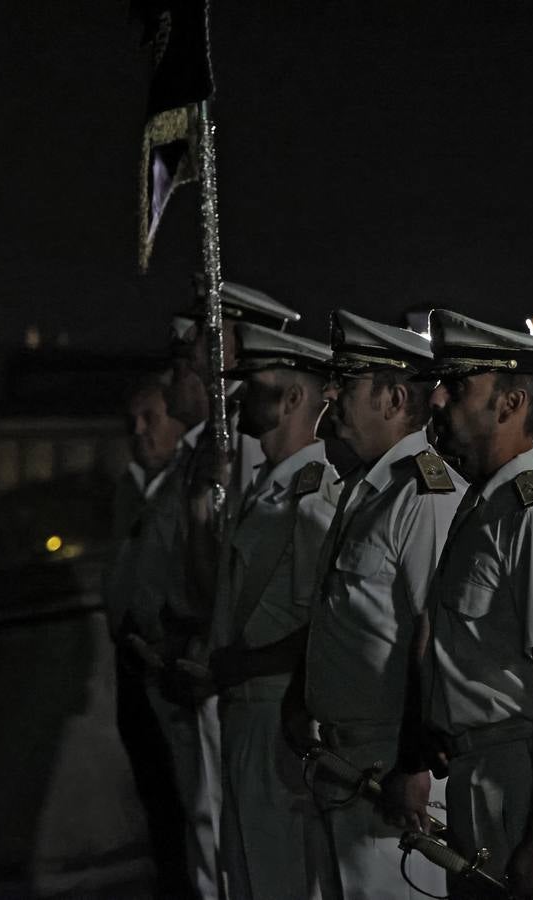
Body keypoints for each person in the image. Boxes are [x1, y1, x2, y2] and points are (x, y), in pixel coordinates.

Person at [397, 309, 533, 900]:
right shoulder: (487, 506)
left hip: (524, 781)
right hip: (478, 772)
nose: (437, 400)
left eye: (460, 387)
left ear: (511, 405)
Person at [283, 310, 466, 900]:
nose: (330, 395)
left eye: (348, 381)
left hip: (392, 768)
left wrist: (412, 766)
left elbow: (433, 636)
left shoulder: (423, 492)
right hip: (343, 760)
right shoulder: (369, 486)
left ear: (392, 397)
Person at [160, 280, 302, 899]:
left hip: (257, 686)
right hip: (222, 671)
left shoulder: (250, 446)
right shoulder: (221, 445)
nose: (191, 357)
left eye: (202, 339)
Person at [201, 323, 340, 900]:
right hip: (244, 707)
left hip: (278, 711)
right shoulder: (266, 485)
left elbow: (325, 623)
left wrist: (245, 663)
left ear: (292, 400)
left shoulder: (315, 491)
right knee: (246, 872)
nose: (237, 399)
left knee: (281, 876)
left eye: (254, 387)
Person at [105, 375, 196, 898]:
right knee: (154, 796)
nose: (138, 432)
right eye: (132, 422)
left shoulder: (190, 483)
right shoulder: (132, 484)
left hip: (169, 664)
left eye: (150, 420)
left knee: (185, 801)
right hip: (132, 664)